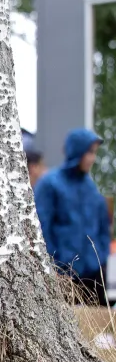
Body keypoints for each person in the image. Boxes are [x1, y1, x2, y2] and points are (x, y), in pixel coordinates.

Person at [35, 128, 112, 306]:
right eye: (89, 152)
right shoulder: (50, 184)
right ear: (77, 150)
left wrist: (101, 258)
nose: (93, 158)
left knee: (99, 323)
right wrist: (52, 265)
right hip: (63, 274)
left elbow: (102, 227)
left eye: (95, 153)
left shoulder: (91, 188)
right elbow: (41, 227)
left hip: (93, 274)